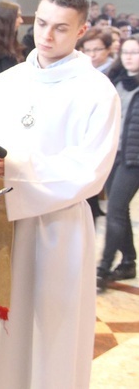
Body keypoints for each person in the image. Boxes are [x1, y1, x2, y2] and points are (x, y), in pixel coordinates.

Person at [0, 0, 121, 389]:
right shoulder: (9, 82)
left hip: (58, 231)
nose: (46, 36)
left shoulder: (96, 92)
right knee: (3, 333)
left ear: (82, 30)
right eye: (42, 23)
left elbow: (91, 170)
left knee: (51, 331)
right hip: (4, 225)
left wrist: (13, 166)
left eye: (61, 28)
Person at [97, 35, 139, 289]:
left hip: (134, 159)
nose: (129, 57)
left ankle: (103, 268)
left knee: (115, 210)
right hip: (113, 154)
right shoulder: (114, 83)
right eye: (125, 52)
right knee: (119, 211)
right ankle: (129, 262)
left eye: (134, 53)